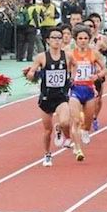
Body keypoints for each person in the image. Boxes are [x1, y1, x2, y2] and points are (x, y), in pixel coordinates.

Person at [22, 27, 73, 168]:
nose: (57, 40)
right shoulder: (41, 57)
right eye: (54, 38)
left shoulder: (67, 56)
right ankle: (47, 153)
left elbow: (74, 67)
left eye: (59, 38)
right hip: (46, 97)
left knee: (65, 122)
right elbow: (32, 71)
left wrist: (72, 77)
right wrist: (31, 74)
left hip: (61, 96)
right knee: (47, 130)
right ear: (48, 41)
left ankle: (64, 134)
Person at [68, 26, 105, 162]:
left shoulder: (94, 54)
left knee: (88, 121)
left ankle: (85, 130)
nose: (83, 41)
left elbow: (104, 70)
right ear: (76, 40)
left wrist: (98, 75)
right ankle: (77, 149)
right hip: (75, 90)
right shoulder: (70, 54)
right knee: (76, 120)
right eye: (80, 38)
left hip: (89, 90)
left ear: (89, 40)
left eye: (85, 38)